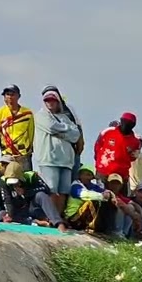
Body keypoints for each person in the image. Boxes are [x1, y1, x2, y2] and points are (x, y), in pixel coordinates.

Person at [35, 88, 81, 218]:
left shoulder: (65, 117)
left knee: (63, 191)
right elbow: (50, 127)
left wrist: (61, 132)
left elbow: (76, 135)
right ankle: (51, 218)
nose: (50, 103)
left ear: (58, 102)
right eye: (47, 100)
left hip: (66, 160)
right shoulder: (41, 115)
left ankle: (59, 218)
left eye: (53, 100)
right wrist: (67, 131)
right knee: (51, 190)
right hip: (49, 158)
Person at [0, 84, 35, 172]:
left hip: (23, 153)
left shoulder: (27, 113)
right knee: (7, 179)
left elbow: (31, 133)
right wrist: (4, 149)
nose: (9, 97)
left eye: (12, 94)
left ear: (18, 96)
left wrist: (29, 149)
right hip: (7, 153)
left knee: (25, 179)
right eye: (7, 94)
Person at [94, 112, 142, 184]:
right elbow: (97, 146)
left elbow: (133, 157)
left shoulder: (135, 141)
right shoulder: (108, 132)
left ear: (133, 125)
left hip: (121, 175)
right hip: (103, 171)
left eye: (129, 123)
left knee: (121, 195)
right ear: (121, 120)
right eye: (124, 121)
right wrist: (99, 162)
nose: (125, 124)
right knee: (101, 193)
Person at [64, 165, 109, 232]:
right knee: (92, 202)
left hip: (82, 217)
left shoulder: (91, 186)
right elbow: (85, 194)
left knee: (105, 203)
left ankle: (103, 228)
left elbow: (104, 190)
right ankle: (91, 227)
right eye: (85, 174)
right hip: (72, 217)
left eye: (89, 175)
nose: (87, 177)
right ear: (80, 175)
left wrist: (108, 194)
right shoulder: (75, 186)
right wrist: (102, 196)